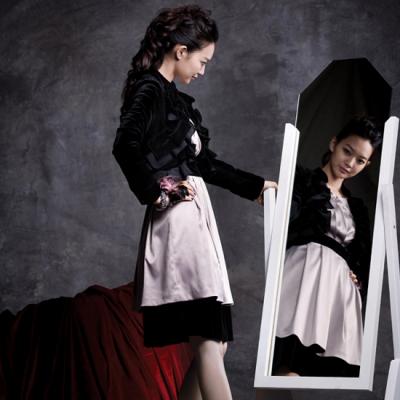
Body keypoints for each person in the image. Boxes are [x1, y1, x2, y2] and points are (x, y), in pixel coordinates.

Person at [111, 5, 277, 400]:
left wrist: (257, 187)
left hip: (196, 223)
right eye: (203, 61)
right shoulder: (150, 88)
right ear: (181, 50)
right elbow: (125, 145)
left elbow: (206, 165)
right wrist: (158, 191)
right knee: (209, 339)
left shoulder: (176, 100)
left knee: (215, 342)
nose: (204, 70)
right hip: (179, 224)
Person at [272, 116, 382, 377]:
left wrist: (357, 275)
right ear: (334, 144)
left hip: (338, 290)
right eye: (347, 151)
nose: (350, 163)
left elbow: (363, 254)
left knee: (295, 370)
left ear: (367, 164)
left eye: (360, 160)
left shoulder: (357, 207)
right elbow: (288, 222)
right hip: (304, 274)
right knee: (284, 364)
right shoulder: (303, 180)